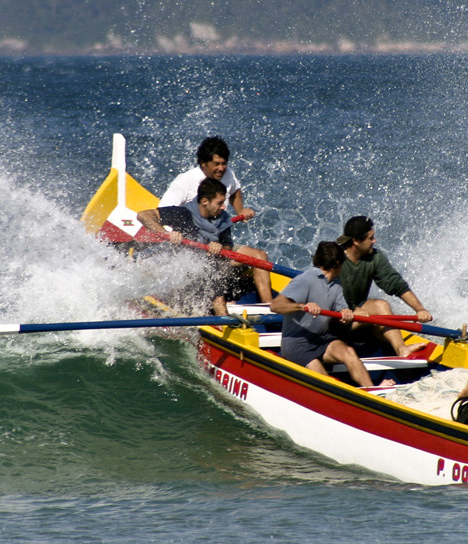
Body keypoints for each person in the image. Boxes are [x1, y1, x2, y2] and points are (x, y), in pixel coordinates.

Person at [159, 136, 271, 303]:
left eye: (224, 163)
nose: (221, 168)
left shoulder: (227, 174)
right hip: (194, 249)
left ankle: (269, 308)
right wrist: (172, 237)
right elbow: (162, 212)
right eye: (216, 164)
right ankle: (216, 303)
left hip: (220, 244)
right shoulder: (185, 181)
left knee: (260, 256)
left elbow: (235, 189)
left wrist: (240, 210)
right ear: (204, 163)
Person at [136, 178, 270, 316]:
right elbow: (143, 215)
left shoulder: (222, 218)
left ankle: (269, 310)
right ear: (205, 202)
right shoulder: (182, 214)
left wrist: (220, 250)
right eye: (219, 203)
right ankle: (223, 322)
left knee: (251, 260)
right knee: (211, 278)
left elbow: (228, 247)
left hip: (211, 266)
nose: (224, 207)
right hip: (185, 275)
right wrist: (165, 233)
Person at [270, 241, 375, 387]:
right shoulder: (306, 279)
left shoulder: (336, 286)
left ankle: (372, 391)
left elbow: (342, 313)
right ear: (338, 263)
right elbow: (275, 306)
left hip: (322, 339)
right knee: (324, 379)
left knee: (349, 352)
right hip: (296, 343)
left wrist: (346, 314)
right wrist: (302, 306)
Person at [336, 215, 432, 357]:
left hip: (357, 318)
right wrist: (350, 309)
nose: (375, 241)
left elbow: (396, 284)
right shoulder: (335, 259)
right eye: (371, 238)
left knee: (381, 305)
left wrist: (420, 309)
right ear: (355, 241)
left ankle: (401, 349)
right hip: (335, 317)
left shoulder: (374, 257)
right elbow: (327, 293)